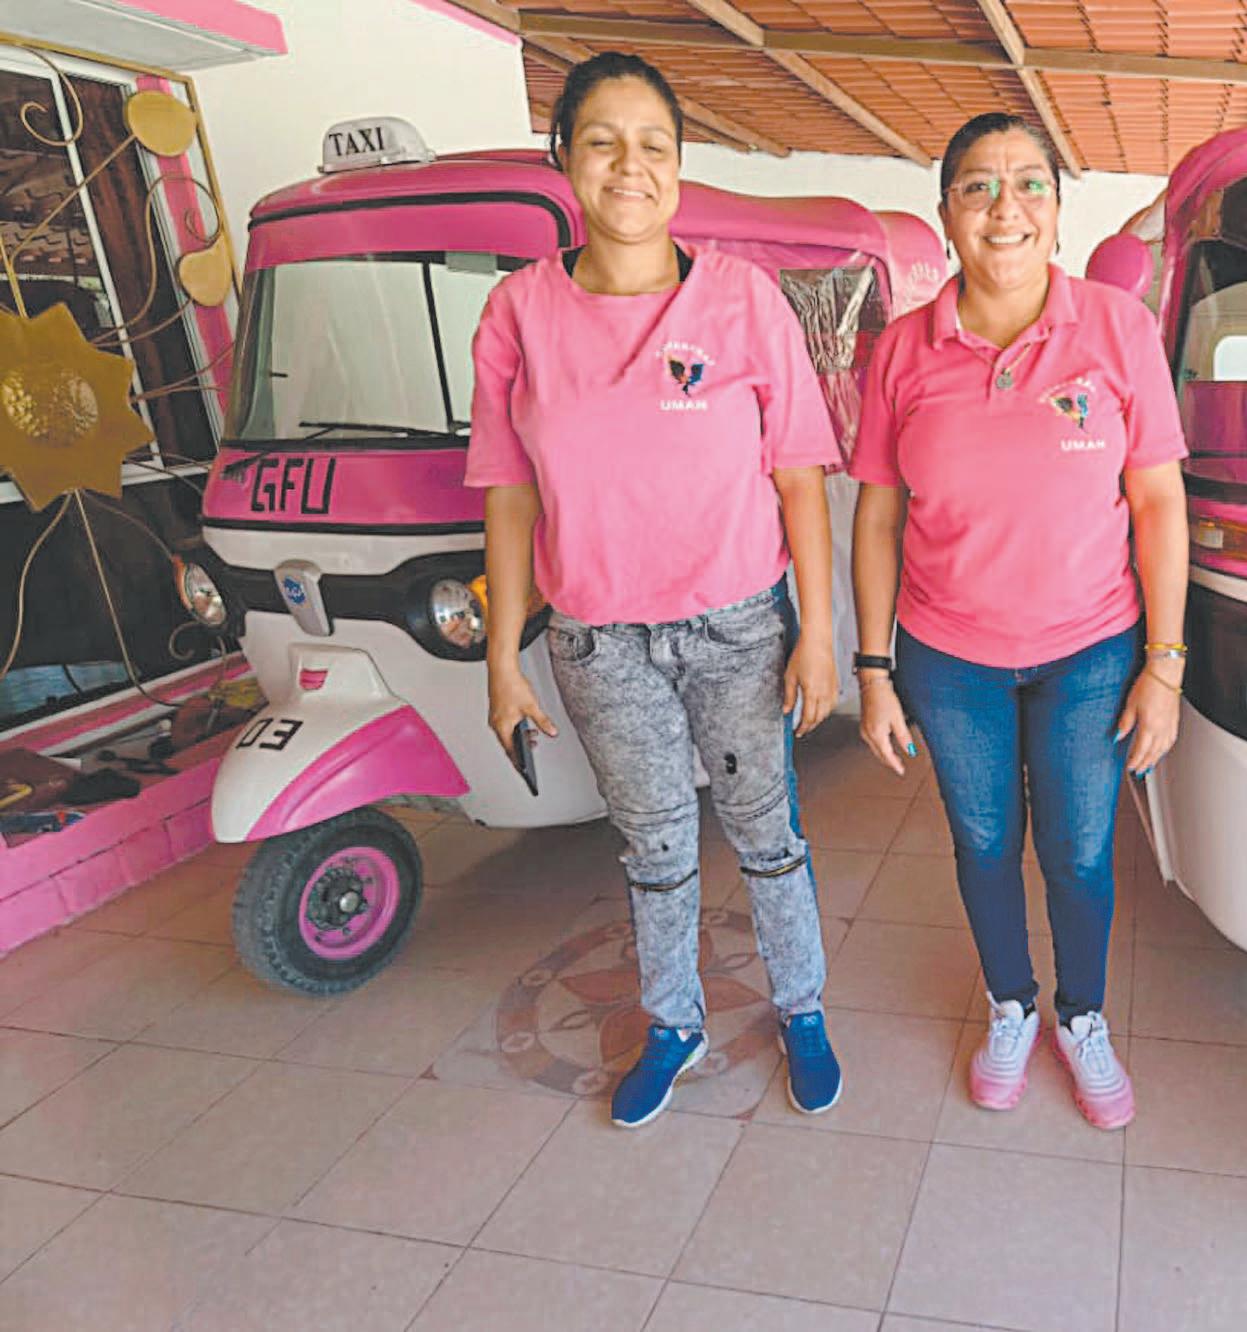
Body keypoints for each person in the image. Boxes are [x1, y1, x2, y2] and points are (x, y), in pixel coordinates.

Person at [468, 52, 843, 1127]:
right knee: (656, 845)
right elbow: (508, 495)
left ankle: (802, 1006)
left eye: (653, 146)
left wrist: (818, 636)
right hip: (599, 641)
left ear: (678, 166)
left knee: (765, 833)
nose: (629, 166)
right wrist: (503, 661)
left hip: (739, 627)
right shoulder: (517, 314)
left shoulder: (743, 300)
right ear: (565, 160)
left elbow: (799, 478)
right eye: (602, 142)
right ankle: (673, 1022)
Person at [849, 113, 1190, 1130]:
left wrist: (1164, 666)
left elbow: (1158, 503)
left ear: (1058, 207)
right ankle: (1011, 1004)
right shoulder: (901, 350)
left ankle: (1081, 1017)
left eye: (1029, 183)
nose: (1006, 208)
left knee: (1080, 853)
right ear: (946, 211)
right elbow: (877, 514)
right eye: (979, 186)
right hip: (947, 656)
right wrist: (872, 669)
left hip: (1092, 650)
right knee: (984, 841)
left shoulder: (1117, 329)